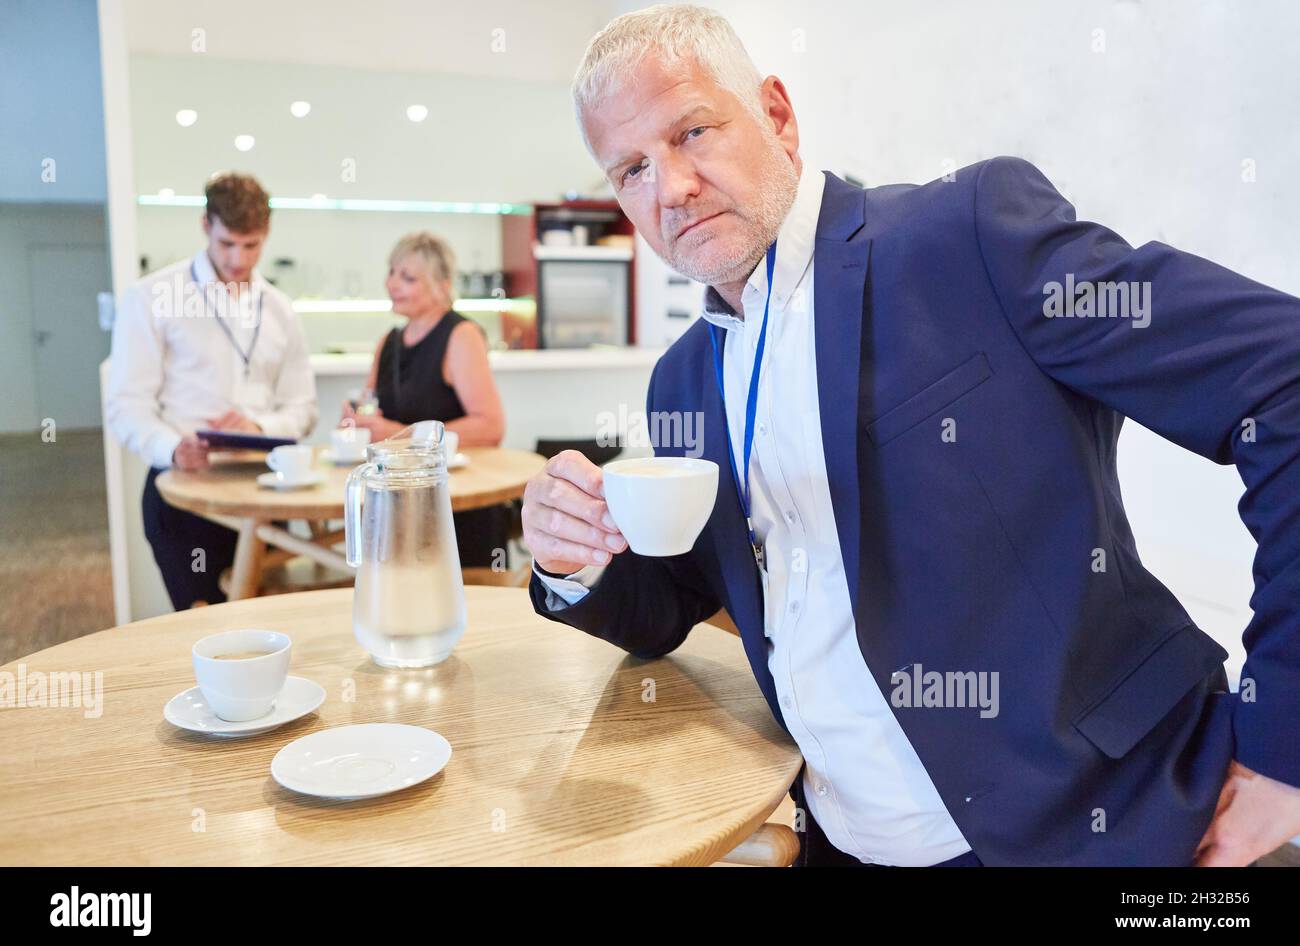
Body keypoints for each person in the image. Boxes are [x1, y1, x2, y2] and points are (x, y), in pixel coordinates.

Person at [521, 5, 1300, 866]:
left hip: (1097, 826)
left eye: (692, 131)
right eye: (630, 168)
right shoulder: (683, 378)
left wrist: (1282, 749)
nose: (668, 188)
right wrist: (573, 557)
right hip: (839, 841)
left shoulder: (965, 239)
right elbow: (677, 603)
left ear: (776, 116)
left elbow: (1286, 382)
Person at [107, 172, 317, 610]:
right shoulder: (151, 297)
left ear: (267, 234)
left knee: (270, 625)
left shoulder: (280, 310)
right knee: (203, 629)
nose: (239, 259)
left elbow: (302, 407)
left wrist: (261, 425)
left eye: (251, 245)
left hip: (265, 489)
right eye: (227, 244)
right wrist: (172, 446)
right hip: (187, 490)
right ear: (206, 226)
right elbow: (127, 405)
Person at [342, 231, 507, 568]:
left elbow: (490, 427)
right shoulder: (388, 342)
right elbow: (371, 407)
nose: (392, 284)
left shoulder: (461, 336)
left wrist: (401, 433)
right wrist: (357, 420)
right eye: (391, 272)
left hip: (455, 506)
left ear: (442, 285)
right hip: (397, 500)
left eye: (408, 278)